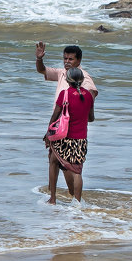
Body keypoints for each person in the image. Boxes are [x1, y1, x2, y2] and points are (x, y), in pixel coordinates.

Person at [46, 66, 95, 205]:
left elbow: (55, 115)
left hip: (64, 138)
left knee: (53, 161)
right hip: (81, 140)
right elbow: (91, 118)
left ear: (68, 80)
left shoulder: (64, 94)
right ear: (82, 80)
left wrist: (48, 133)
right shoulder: (89, 96)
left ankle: (53, 198)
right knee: (77, 171)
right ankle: (77, 204)